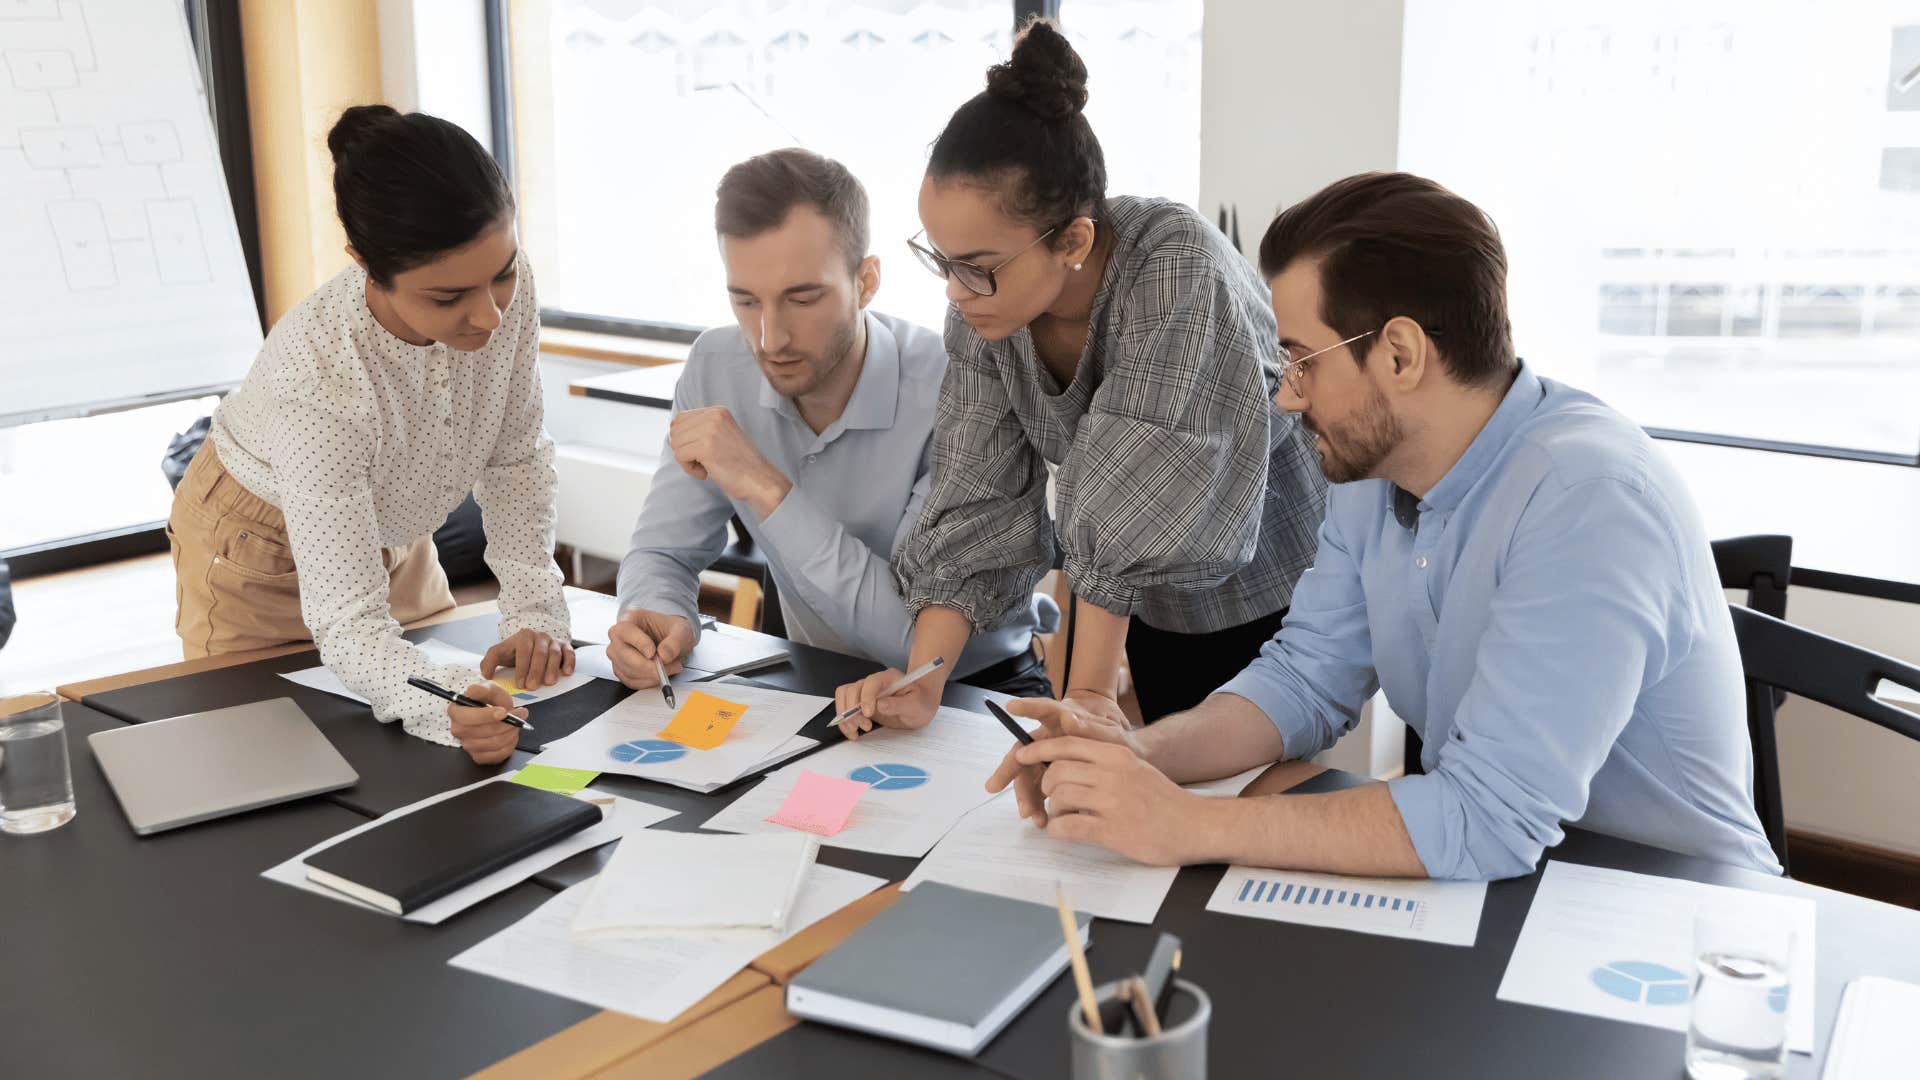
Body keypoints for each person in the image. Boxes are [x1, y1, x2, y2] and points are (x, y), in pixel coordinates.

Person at [987, 172, 1782, 881]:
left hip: (1670, 916)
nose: (1288, 396)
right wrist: (1135, 753)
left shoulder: (1590, 501)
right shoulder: (1374, 470)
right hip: (1510, 887)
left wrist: (1186, 823)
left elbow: (1486, 819)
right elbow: (1305, 677)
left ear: (1399, 354)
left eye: (1302, 360)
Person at [833, 19, 1326, 736]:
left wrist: (1090, 694)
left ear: (1074, 241)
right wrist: (925, 678)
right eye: (941, 259)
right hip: (1147, 607)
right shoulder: (987, 313)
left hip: (1272, 594)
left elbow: (1132, 489)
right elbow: (973, 493)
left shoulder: (1174, 267)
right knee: (1149, 802)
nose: (955, 290)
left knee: (1237, 805)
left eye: (977, 264)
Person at [169, 105, 570, 763]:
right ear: (364, 264)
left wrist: (534, 611)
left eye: (501, 274)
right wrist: (447, 702)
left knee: (426, 761)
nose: (491, 314)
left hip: (394, 520)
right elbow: (350, 626)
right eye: (448, 298)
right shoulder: (319, 376)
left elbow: (515, 455)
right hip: (259, 543)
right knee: (276, 770)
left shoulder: (506, 285)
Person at [610, 149, 1048, 698]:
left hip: (977, 687)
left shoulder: (957, 388)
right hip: (817, 677)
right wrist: (658, 613)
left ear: (866, 282)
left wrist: (766, 488)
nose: (770, 339)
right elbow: (663, 551)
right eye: (745, 300)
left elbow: (911, 647)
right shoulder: (715, 365)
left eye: (803, 298)